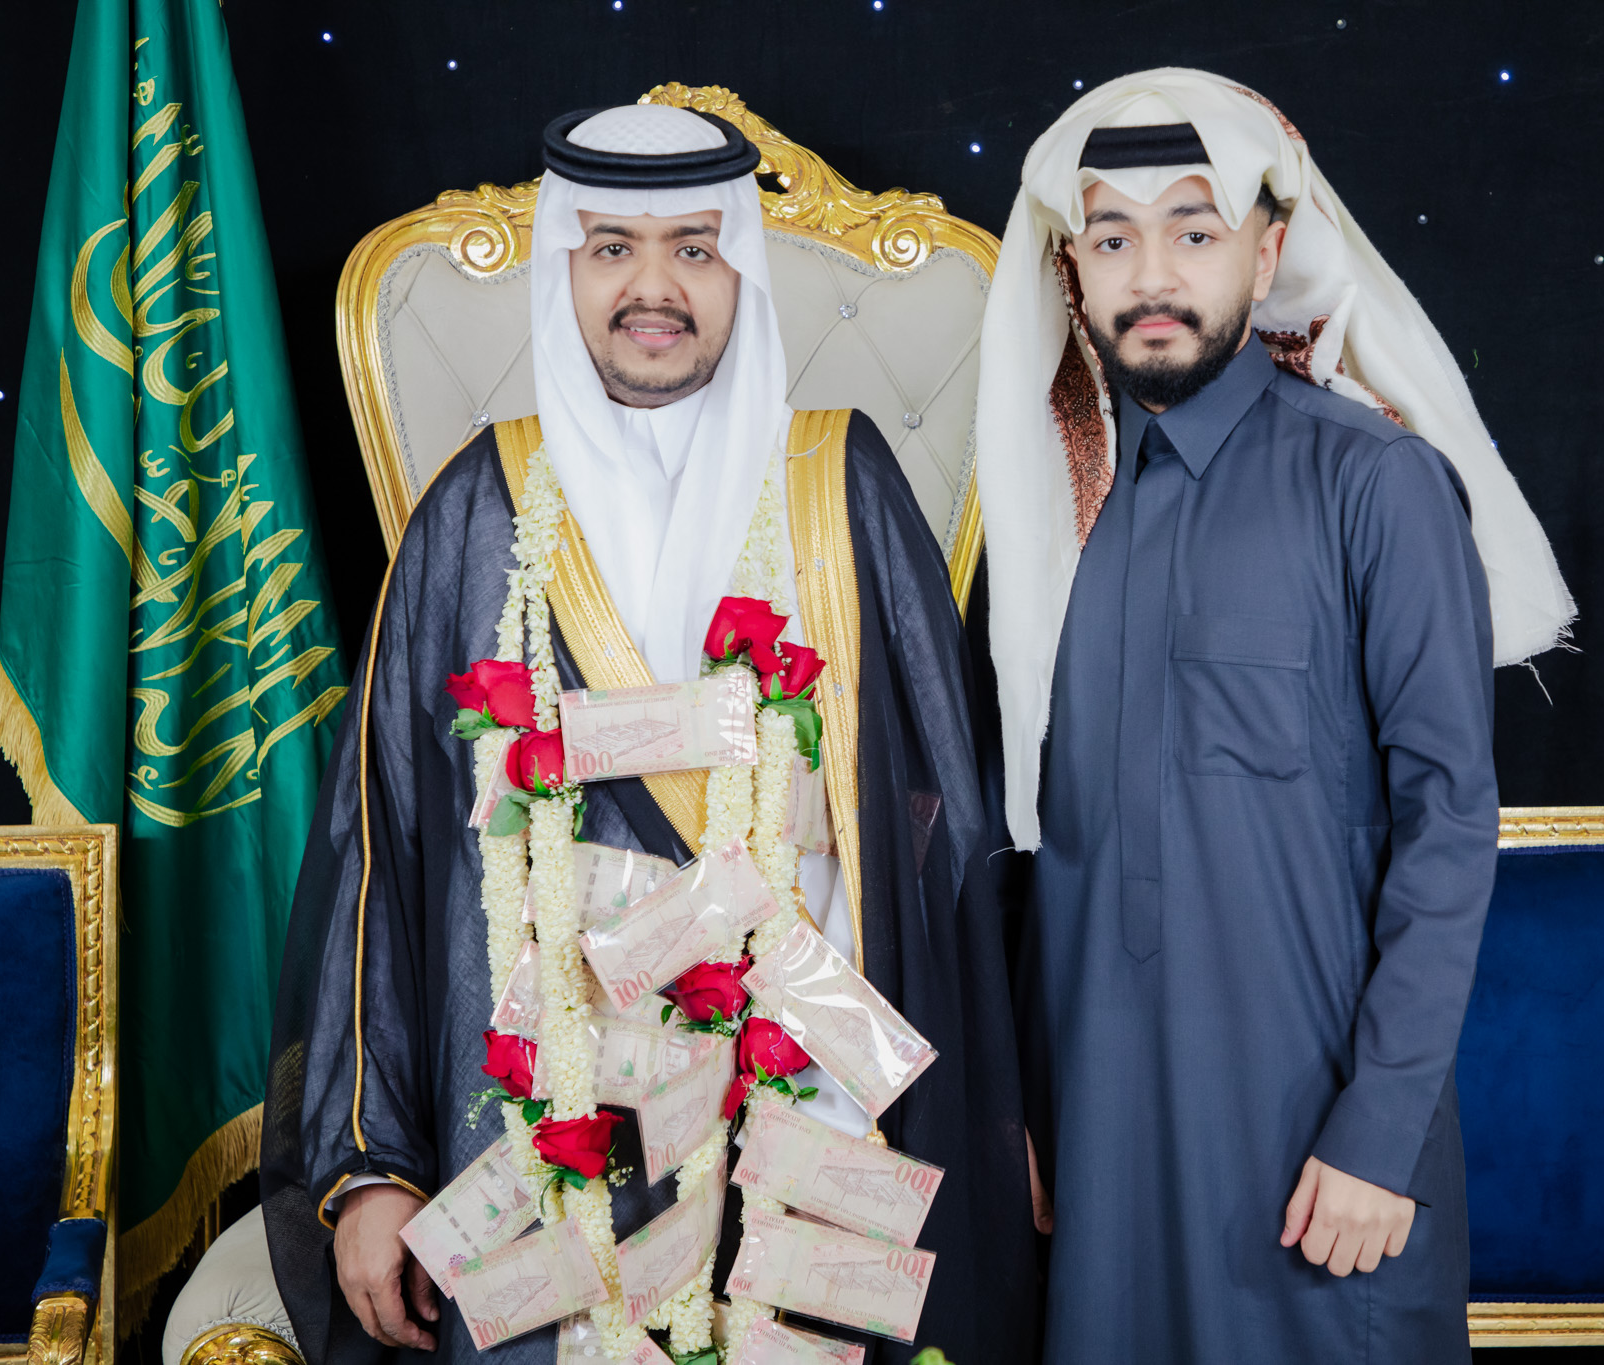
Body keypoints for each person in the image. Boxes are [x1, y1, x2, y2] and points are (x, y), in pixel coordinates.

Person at [262, 102, 1034, 1365]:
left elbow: (952, 829)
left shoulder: (839, 484)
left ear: (741, 269)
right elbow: (381, 857)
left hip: (810, 1123)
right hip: (540, 1130)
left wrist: (1000, 1114)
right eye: (612, 248)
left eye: (693, 247)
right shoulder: (474, 509)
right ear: (564, 269)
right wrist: (371, 1166)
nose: (653, 288)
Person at [972, 69, 1575, 1361]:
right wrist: (1017, 1115)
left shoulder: (1377, 484)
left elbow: (1448, 825)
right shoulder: (1045, 532)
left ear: (1268, 250)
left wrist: (1379, 1134)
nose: (1152, 275)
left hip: (1315, 1164)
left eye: (1193, 231)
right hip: (1100, 1160)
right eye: (1112, 238)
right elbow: (1023, 852)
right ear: (1071, 268)